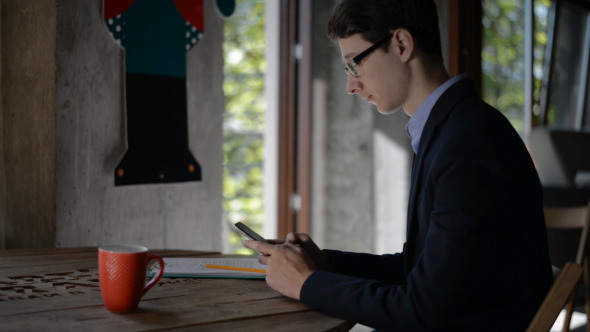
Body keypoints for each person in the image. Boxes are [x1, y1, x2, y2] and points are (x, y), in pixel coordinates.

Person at [244, 0, 554, 330]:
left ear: (402, 44)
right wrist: (325, 263)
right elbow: (418, 270)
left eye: (354, 64)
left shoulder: (467, 142)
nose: (351, 85)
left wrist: (305, 285)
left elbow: (421, 311)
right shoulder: (455, 128)